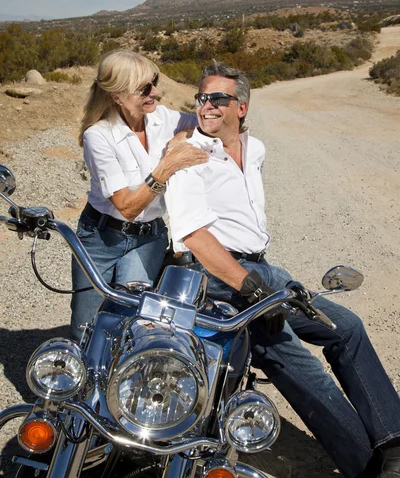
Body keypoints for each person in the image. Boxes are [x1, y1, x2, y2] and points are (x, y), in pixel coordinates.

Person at [164, 60, 400, 478]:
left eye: (218, 98)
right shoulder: (187, 158)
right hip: (223, 284)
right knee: (303, 370)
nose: (207, 106)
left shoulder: (255, 150)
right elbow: (196, 238)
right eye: (202, 98)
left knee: (346, 327)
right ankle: (368, 469)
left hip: (263, 272)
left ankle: (393, 441)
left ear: (242, 107)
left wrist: (262, 280)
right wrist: (251, 289)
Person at [71, 50, 207, 341]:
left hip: (148, 237)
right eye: (145, 88)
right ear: (116, 95)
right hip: (100, 238)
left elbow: (205, 124)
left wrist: (181, 138)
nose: (155, 93)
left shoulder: (162, 118)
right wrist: (166, 166)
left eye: (154, 83)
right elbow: (127, 207)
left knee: (128, 318)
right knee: (84, 325)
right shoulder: (99, 136)